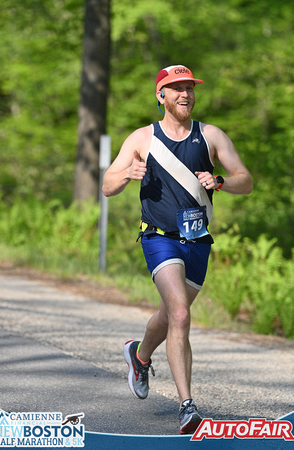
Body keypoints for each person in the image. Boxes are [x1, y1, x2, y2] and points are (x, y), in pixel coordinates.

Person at [102, 64, 253, 434]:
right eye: (176, 88)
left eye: (189, 87)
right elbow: (107, 184)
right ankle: (188, 406)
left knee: (170, 315)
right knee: (181, 316)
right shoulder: (142, 138)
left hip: (198, 240)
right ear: (161, 96)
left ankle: (139, 356)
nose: (185, 94)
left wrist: (219, 181)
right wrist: (126, 175)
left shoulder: (211, 135)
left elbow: (245, 181)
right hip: (159, 237)